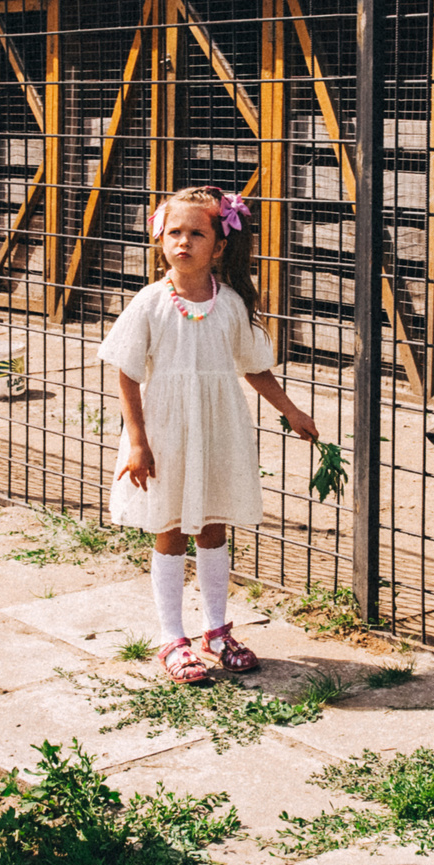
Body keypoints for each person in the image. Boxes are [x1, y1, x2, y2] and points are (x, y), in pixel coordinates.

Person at [101, 186, 321, 684]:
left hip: (218, 431)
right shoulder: (151, 303)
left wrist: (290, 410)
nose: (183, 242)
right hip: (167, 434)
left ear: (219, 246)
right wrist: (137, 442)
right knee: (171, 527)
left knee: (214, 525)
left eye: (196, 233)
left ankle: (217, 630)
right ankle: (171, 637)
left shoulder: (232, 305)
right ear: (160, 237)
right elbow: (127, 373)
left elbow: (254, 367)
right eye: (174, 232)